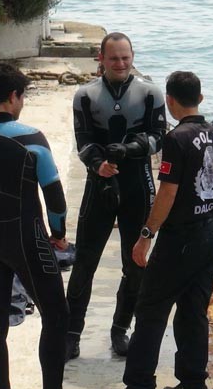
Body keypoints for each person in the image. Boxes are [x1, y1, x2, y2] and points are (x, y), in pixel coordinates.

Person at [0, 63, 92, 389]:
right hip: (26, 239)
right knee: (56, 314)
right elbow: (55, 196)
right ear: (14, 97)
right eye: (22, 98)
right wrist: (58, 235)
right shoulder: (29, 137)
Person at [105, 71, 213, 389]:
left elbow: (168, 193)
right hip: (207, 234)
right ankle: (193, 387)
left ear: (170, 101)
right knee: (193, 314)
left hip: (180, 239)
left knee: (151, 310)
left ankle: (140, 388)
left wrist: (145, 235)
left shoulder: (177, 139)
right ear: (200, 99)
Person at [66, 32, 166, 358]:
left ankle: (121, 328)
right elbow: (83, 141)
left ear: (133, 56)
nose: (121, 64)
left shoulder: (151, 93)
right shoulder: (85, 95)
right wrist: (98, 165)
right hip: (100, 186)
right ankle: (72, 332)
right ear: (102, 59)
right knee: (84, 263)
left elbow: (157, 136)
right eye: (114, 59)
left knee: (135, 263)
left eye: (125, 58)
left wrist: (128, 149)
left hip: (138, 184)